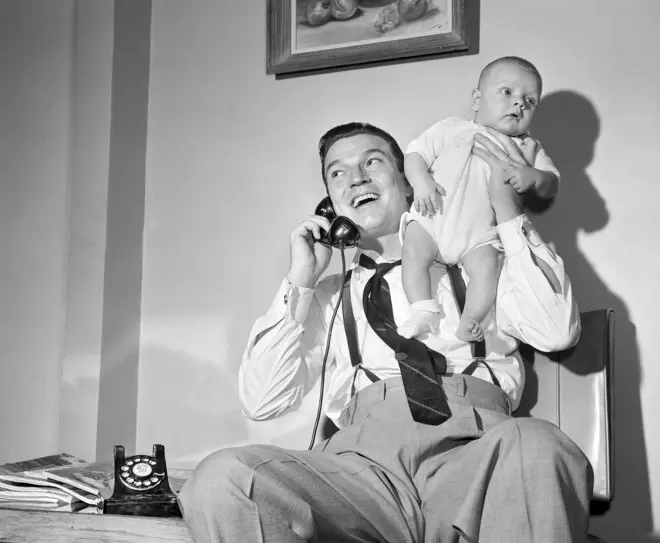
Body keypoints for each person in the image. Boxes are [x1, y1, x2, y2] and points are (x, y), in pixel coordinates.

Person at [178, 121, 593, 543]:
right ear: (331, 202)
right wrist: (301, 279)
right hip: (362, 472)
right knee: (225, 478)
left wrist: (507, 217)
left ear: (409, 182)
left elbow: (557, 331)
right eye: (337, 172)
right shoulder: (327, 293)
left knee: (540, 445)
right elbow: (261, 401)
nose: (355, 178)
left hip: (477, 454)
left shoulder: (484, 261)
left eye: (371, 162)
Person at [399, 56, 561, 343]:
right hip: (434, 216)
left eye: (530, 100)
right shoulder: (452, 128)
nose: (519, 103)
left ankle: (470, 320)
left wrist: (533, 176)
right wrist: (421, 182)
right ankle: (422, 308)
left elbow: (551, 183)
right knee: (413, 249)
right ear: (476, 99)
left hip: (480, 237)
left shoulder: (528, 147)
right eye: (507, 92)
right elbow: (415, 154)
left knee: (487, 268)